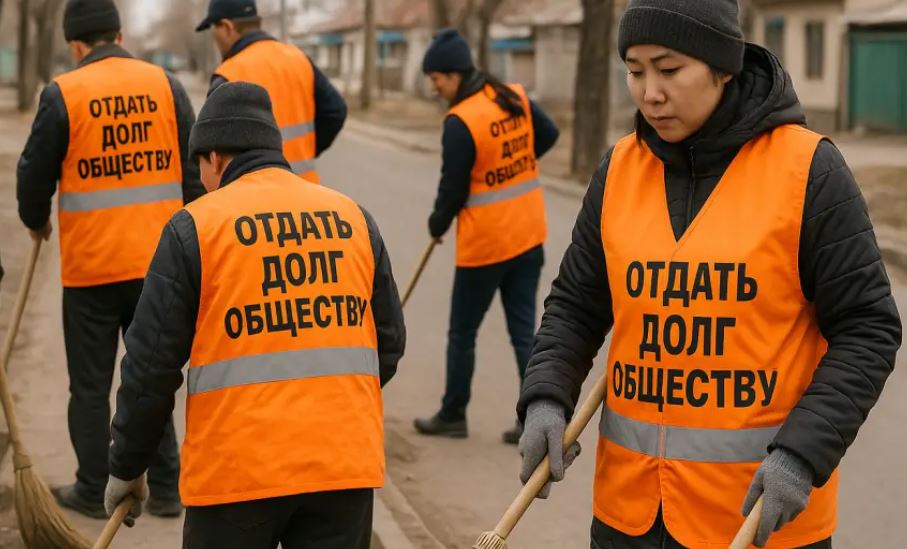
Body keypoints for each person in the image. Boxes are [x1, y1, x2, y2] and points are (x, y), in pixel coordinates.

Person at [516, 1, 902, 548]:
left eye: (669, 70)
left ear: (724, 67)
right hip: (630, 518)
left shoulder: (807, 171)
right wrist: (546, 397)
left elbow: (868, 329)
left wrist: (802, 455)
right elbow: (577, 305)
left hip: (756, 521)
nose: (650, 91)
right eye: (634, 69)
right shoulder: (620, 170)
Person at [103, 82, 406, 549]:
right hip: (342, 471)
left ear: (216, 158)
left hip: (235, 476)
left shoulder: (196, 228)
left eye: (199, 166)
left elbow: (149, 369)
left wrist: (127, 465)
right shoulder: (354, 218)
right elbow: (388, 344)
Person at [16, 0, 204, 519]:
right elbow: (194, 175)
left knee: (92, 387)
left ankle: (92, 488)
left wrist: (36, 219)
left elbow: (33, 174)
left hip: (92, 271)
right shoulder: (166, 86)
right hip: (161, 269)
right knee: (154, 376)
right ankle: (167, 490)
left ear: (76, 44)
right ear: (118, 32)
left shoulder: (63, 94)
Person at [412, 29, 560, 444]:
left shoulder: (462, 121)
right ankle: (531, 419)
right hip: (528, 235)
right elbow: (547, 136)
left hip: (486, 246)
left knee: (462, 332)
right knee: (523, 330)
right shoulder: (512, 96)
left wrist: (437, 223)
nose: (434, 85)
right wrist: (515, 166)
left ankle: (453, 413)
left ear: (456, 74)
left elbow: (453, 187)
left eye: (437, 77)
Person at [195, 0, 347, 183]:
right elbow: (336, 111)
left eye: (214, 30)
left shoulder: (229, 73)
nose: (215, 40)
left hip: (252, 199)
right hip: (305, 190)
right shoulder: (297, 58)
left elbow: (210, 149)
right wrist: (304, 152)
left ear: (228, 27)